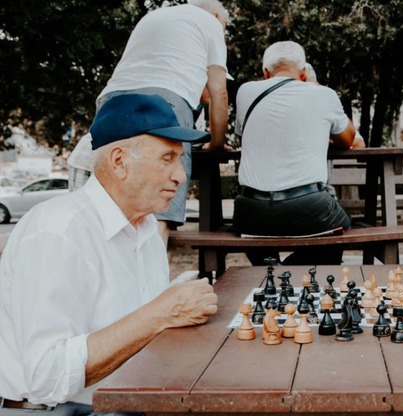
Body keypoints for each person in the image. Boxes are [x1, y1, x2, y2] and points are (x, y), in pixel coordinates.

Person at [0, 94, 218, 414]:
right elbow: (46, 376)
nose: (181, 176)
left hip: (124, 402)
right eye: (167, 158)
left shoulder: (145, 230)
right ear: (119, 161)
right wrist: (162, 313)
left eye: (180, 160)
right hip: (54, 410)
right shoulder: (58, 231)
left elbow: (142, 333)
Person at [68, 0, 231, 245]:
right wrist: (217, 145)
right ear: (217, 15)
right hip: (167, 100)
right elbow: (219, 91)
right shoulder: (210, 22)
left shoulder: (156, 16)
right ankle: (152, 281)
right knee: (159, 209)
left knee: (110, 207)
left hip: (112, 98)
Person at [232, 41, 357, 265]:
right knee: (343, 226)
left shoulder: (245, 91)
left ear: (265, 72)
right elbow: (348, 139)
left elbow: (245, 134)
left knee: (250, 225)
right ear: (303, 73)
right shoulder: (322, 94)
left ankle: (268, 268)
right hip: (308, 207)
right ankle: (287, 272)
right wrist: (316, 84)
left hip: (250, 211)